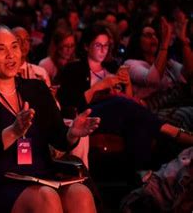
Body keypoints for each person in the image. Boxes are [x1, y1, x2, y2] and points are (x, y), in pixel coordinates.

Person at [0, 25, 99, 213]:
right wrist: (13, 132)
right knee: (46, 197)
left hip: (42, 175)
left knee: (81, 193)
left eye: (14, 46)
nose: (10, 55)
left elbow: (59, 140)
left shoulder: (36, 89)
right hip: (3, 181)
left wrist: (72, 134)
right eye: (0, 49)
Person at [57, 23, 193, 172]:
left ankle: (141, 175)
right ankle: (173, 132)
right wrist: (99, 87)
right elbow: (70, 104)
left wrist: (126, 84)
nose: (103, 50)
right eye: (98, 45)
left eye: (106, 45)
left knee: (137, 123)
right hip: (90, 115)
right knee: (120, 104)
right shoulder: (74, 69)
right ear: (86, 46)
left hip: (117, 116)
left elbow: (129, 102)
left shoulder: (113, 67)